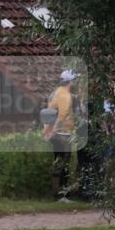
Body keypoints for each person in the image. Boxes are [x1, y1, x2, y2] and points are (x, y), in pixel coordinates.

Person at [44, 69, 81, 199]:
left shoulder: (55, 93)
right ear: (71, 81)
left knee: (58, 161)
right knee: (63, 163)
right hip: (62, 133)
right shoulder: (65, 95)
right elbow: (62, 115)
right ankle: (62, 195)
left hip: (57, 133)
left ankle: (58, 192)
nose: (75, 82)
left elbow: (47, 113)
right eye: (75, 80)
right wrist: (53, 131)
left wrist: (47, 131)